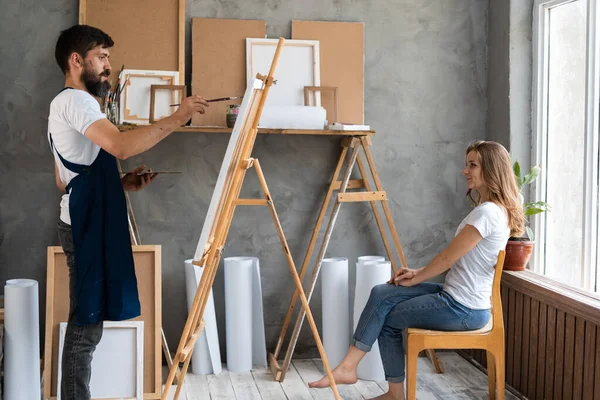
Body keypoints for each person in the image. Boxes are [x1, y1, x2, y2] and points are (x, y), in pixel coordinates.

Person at [49, 24, 208, 400]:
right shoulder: (78, 101)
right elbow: (120, 147)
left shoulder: (66, 103)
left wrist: (120, 184)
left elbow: (63, 179)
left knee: (88, 323)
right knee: (85, 325)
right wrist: (179, 116)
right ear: (76, 60)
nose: (108, 66)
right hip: (85, 224)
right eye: (101, 57)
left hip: (83, 218)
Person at [309, 140, 525, 400]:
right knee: (382, 292)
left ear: (491, 169)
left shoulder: (487, 213)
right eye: (466, 164)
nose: (465, 170)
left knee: (388, 317)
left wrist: (418, 278)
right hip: (459, 298)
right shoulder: (492, 211)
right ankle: (348, 367)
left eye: (472, 165)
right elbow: (456, 259)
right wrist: (417, 272)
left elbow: (447, 258)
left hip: (463, 308)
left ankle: (392, 394)